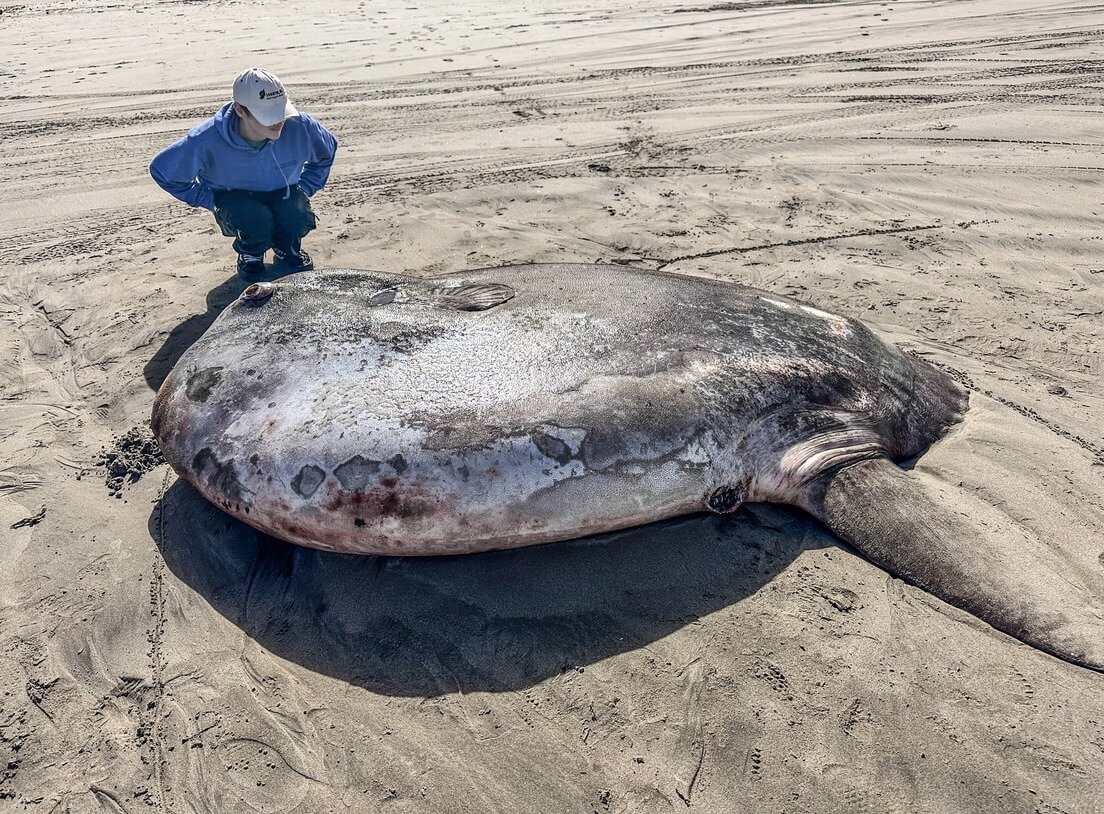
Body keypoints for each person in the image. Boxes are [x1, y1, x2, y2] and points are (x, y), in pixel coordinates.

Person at [150, 67, 338, 279]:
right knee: (254, 219)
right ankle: (251, 254)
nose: (278, 122)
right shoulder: (205, 140)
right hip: (235, 200)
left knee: (296, 212)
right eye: (267, 115)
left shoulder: (301, 126)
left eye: (281, 111)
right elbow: (163, 172)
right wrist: (209, 200)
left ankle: (287, 248)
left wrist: (306, 187)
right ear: (240, 110)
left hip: (284, 192)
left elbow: (327, 151)